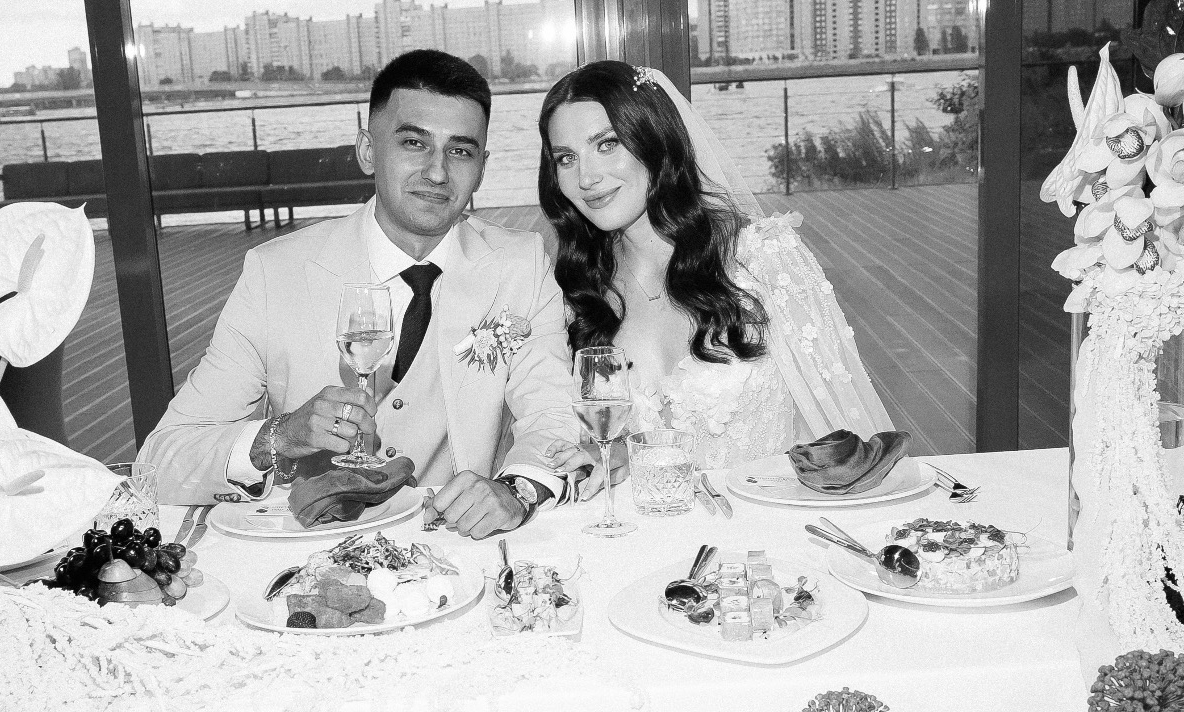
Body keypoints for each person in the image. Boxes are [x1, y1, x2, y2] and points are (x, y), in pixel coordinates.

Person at [137, 50, 577, 537]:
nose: (437, 173)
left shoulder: (520, 263)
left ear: (482, 167)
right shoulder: (275, 274)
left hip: (460, 545)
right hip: (313, 548)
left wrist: (518, 490)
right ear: (368, 150)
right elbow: (160, 461)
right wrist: (278, 437)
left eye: (460, 151)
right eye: (414, 143)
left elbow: (553, 416)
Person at [537, 59, 890, 476]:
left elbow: (840, 429)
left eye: (607, 144)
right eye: (566, 158)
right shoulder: (579, 291)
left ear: (655, 139)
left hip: (769, 511)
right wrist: (610, 459)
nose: (586, 177)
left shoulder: (761, 257)